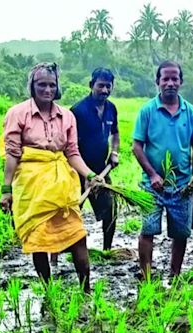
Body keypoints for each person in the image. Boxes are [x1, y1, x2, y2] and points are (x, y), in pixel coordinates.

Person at [0, 63, 101, 293]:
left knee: (78, 236)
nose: (47, 89)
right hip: (32, 188)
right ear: (32, 86)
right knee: (39, 241)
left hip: (62, 187)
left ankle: (86, 289)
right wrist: (6, 189)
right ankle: (48, 290)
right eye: (42, 84)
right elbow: (13, 153)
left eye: (52, 85)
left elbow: (72, 153)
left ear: (57, 87)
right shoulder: (17, 113)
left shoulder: (67, 117)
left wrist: (91, 175)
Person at [132, 61, 193, 278]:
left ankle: (175, 274)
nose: (170, 83)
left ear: (181, 82)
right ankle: (146, 276)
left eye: (175, 79)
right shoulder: (147, 111)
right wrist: (152, 174)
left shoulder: (189, 112)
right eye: (166, 79)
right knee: (148, 229)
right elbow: (136, 146)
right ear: (158, 82)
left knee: (181, 233)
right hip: (153, 185)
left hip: (182, 185)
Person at [71, 67, 120, 252]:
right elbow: (71, 146)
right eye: (101, 86)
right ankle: (56, 256)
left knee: (110, 212)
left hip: (101, 170)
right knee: (71, 213)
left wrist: (114, 152)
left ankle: (107, 250)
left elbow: (115, 133)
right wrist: (84, 174)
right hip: (78, 172)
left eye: (108, 86)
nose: (105, 90)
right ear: (91, 85)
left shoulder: (111, 108)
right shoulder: (78, 111)